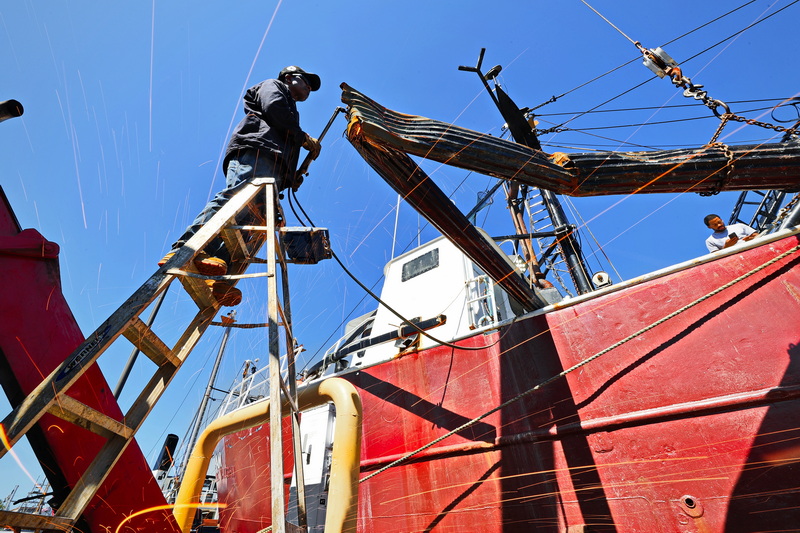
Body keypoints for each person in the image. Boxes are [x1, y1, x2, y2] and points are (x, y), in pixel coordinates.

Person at [159, 66, 322, 305]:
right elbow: (274, 111)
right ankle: (186, 247)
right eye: (305, 81)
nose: (308, 87)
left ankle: (221, 276)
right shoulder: (274, 87)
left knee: (261, 223)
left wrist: (291, 176)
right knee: (236, 198)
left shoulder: (293, 114)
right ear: (289, 77)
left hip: (274, 166)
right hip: (257, 152)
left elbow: (287, 138)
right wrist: (304, 138)